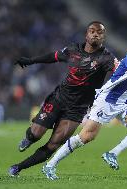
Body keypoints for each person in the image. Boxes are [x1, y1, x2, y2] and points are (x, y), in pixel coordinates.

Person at [42, 30, 127, 180]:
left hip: (126, 100)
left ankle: (112, 153)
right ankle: (50, 165)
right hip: (108, 100)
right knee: (86, 136)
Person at [9, 21, 119, 176]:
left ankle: (18, 168)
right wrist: (31, 60)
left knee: (53, 144)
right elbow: (53, 57)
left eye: (99, 32)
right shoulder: (72, 49)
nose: (95, 34)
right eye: (92, 31)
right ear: (86, 35)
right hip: (59, 99)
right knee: (36, 133)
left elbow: (120, 71)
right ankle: (29, 138)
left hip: (77, 109)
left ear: (103, 37)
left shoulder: (106, 58)